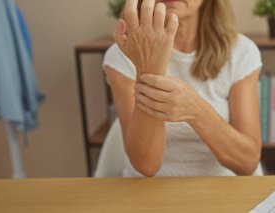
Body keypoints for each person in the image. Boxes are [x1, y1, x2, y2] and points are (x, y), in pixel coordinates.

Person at [102, 0, 262, 177]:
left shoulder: (241, 52)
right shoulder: (121, 54)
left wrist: (196, 110)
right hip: (147, 193)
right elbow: (146, 166)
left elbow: (247, 163)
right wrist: (151, 66)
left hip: (219, 192)